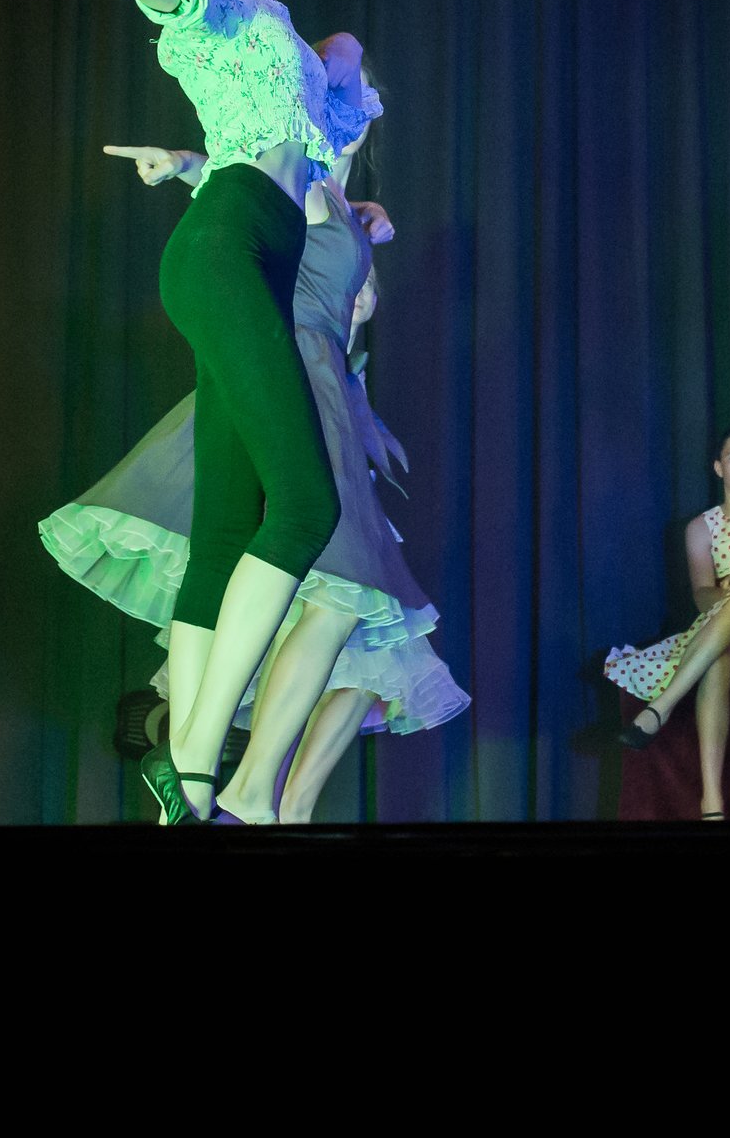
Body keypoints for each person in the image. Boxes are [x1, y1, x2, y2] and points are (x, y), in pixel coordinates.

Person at [66, 0, 372, 822]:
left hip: (256, 246)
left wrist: (343, 59)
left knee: (227, 528)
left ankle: (183, 795)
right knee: (307, 503)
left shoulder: (280, 23)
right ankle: (194, 757)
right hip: (225, 249)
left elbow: (317, 144)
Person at [44, 76, 462, 824]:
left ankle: (236, 787)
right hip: (292, 371)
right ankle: (227, 776)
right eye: (350, 93)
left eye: (369, 97)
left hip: (328, 386)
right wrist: (186, 165)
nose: (363, 105)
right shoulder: (303, 179)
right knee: (334, 580)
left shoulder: (336, 200)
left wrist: (359, 229)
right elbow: (251, 185)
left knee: (334, 592)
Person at [603, 428, 730, 822]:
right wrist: (728, 593)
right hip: (728, 621)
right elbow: (701, 594)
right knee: (718, 660)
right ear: (719, 467)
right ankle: (712, 802)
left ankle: (661, 707)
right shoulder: (701, 528)